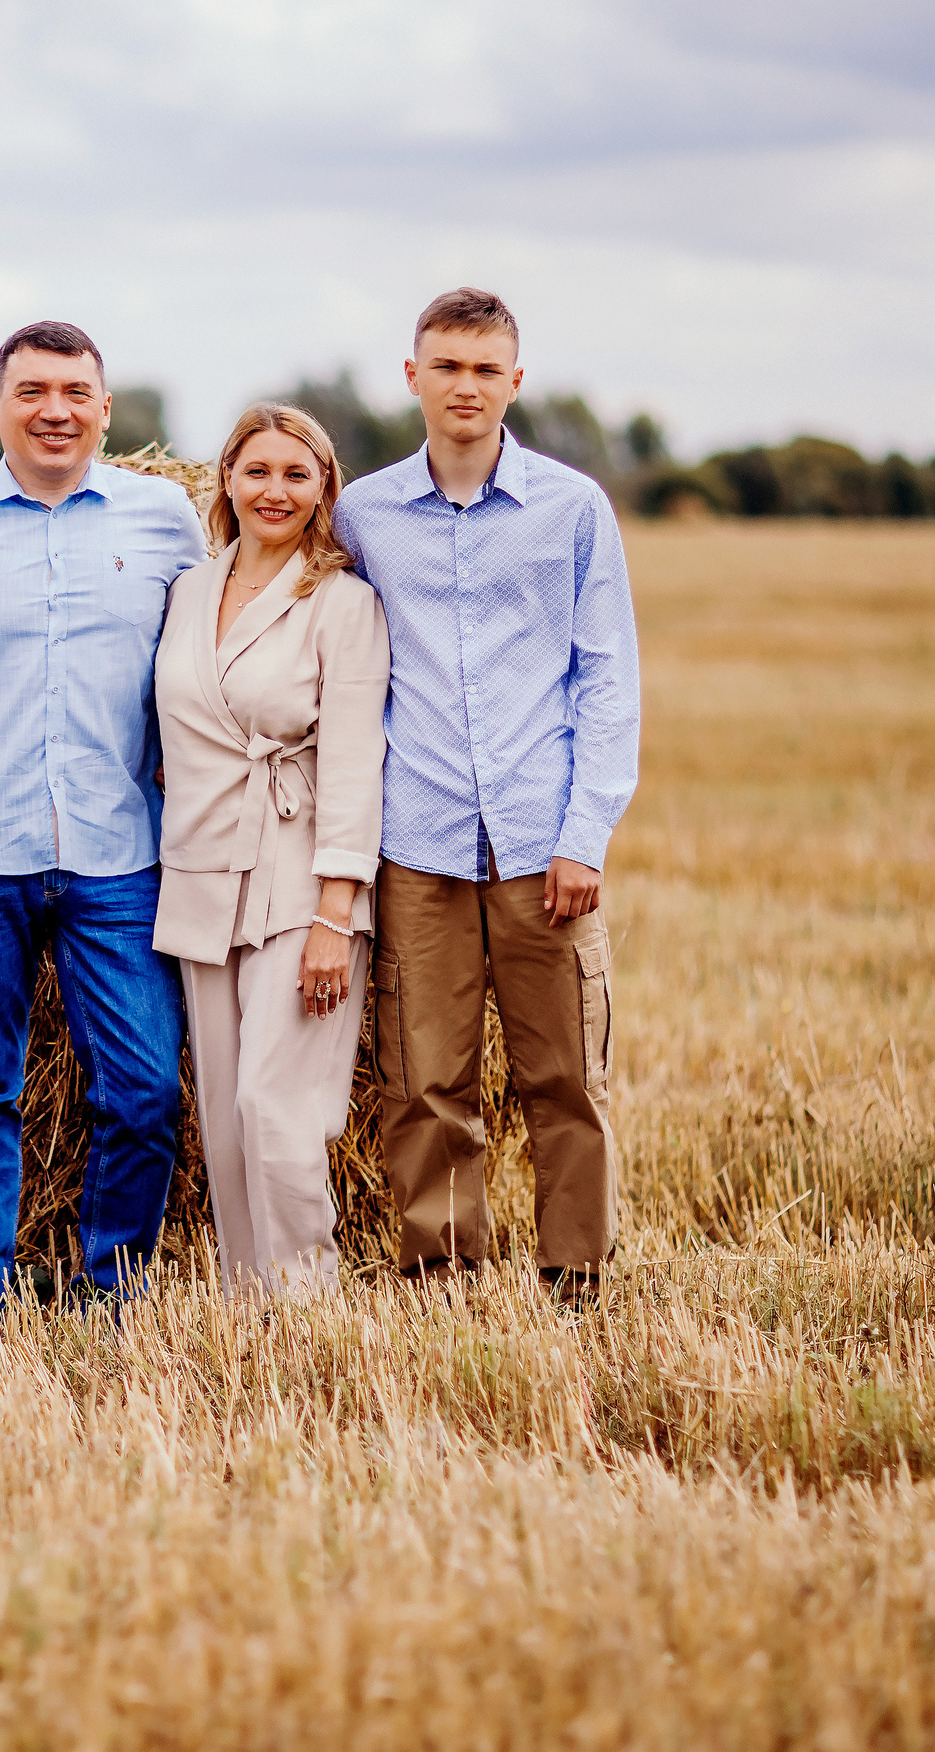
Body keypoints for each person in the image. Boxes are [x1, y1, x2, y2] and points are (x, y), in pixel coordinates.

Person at [0, 320, 208, 1301]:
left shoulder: (164, 519)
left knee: (142, 1087)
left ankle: (115, 1283)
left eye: (73, 392)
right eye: (30, 392)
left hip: (120, 851)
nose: (53, 410)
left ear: (105, 408)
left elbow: (210, 667)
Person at [333, 288, 640, 1304]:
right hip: (413, 836)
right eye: (446, 366)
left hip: (540, 839)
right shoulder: (363, 512)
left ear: (516, 380)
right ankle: (441, 1271)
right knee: (424, 1081)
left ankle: (574, 1275)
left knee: (564, 1078)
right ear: (411, 376)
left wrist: (584, 833)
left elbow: (606, 678)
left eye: (484, 367)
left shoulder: (572, 508)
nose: (465, 385)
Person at [152, 404, 388, 1297]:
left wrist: (338, 913)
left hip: (301, 880)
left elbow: (356, 766)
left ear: (324, 488)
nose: (275, 491)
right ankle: (248, 1306)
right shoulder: (187, 591)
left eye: (297, 474)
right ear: (226, 481)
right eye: (257, 471)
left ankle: (305, 1302)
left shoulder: (343, 603)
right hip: (202, 871)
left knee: (275, 1105)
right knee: (222, 1117)